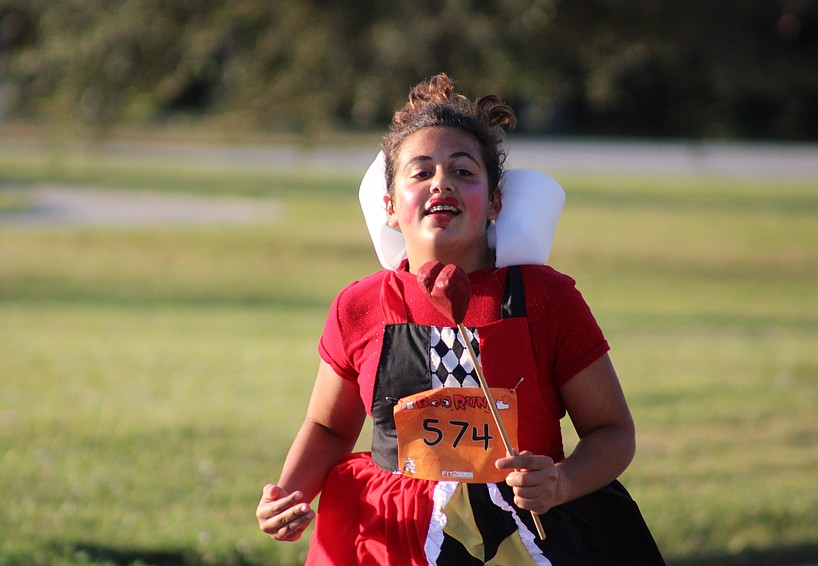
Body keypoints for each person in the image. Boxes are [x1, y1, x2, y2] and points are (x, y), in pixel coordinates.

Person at [257, 74, 664, 565]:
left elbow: (612, 431)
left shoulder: (547, 298)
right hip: (393, 537)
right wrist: (291, 493)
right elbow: (327, 427)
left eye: (463, 171)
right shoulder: (358, 306)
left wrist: (561, 482)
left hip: (535, 531)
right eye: (420, 172)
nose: (441, 182)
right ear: (389, 206)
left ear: (495, 202)